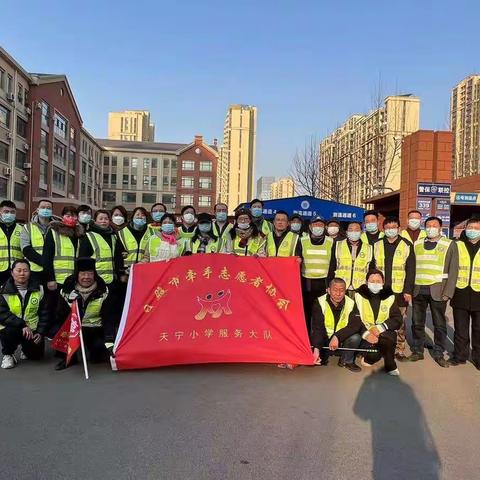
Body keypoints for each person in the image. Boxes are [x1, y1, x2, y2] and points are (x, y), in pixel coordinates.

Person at [409, 216, 458, 367]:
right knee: (417, 322)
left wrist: (448, 292)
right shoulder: (417, 244)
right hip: (419, 290)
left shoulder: (449, 244)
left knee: (439, 324)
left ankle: (438, 353)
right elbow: (411, 267)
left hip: (438, 290)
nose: (431, 228)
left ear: (440, 227)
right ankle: (417, 350)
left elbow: (454, 269)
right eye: (428, 225)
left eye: (434, 225)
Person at [54, 258, 112, 370]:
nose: (86, 277)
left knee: (98, 352)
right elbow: (59, 315)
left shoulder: (103, 290)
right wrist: (72, 302)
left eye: (90, 273)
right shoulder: (67, 289)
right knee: (62, 343)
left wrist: (109, 339)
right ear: (77, 274)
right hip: (73, 328)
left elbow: (108, 317)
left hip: (94, 327)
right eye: (83, 273)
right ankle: (71, 357)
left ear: (94, 274)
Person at [373, 217, 415, 361]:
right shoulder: (376, 245)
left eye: (394, 227)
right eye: (388, 227)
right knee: (380, 320)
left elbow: (411, 270)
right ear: (383, 229)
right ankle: (381, 348)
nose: (391, 229)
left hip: (399, 291)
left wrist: (408, 291)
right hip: (380, 291)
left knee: (399, 322)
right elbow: (372, 268)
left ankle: (399, 350)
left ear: (398, 228)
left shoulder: (406, 245)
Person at [0, 260, 48, 369]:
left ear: (30, 272)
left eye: (25, 270)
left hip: (32, 329)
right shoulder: (3, 291)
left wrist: (40, 332)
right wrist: (22, 325)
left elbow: (45, 313)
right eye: (19, 270)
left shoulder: (39, 289)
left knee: (37, 356)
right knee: (9, 331)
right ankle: (8, 354)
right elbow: (2, 314)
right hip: (11, 328)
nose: (22, 273)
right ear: (12, 273)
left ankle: (25, 348)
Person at [355, 269, 403, 376]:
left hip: (382, 331)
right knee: (373, 356)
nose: (375, 284)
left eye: (378, 281)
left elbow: (397, 319)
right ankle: (369, 356)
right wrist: (367, 334)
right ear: (367, 282)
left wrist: (381, 327)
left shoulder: (389, 296)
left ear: (383, 282)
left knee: (390, 337)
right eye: (372, 281)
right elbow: (355, 319)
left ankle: (390, 363)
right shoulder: (358, 296)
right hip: (365, 332)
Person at [311, 278, 362, 372]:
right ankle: (319, 353)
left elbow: (355, 326)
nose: (338, 294)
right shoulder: (319, 302)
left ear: (345, 291)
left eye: (341, 290)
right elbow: (317, 328)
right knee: (315, 350)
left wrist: (337, 336)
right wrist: (316, 348)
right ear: (328, 290)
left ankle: (346, 361)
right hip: (324, 338)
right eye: (335, 290)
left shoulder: (351, 303)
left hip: (341, 338)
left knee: (355, 337)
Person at [448, 217, 480, 369]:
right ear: (465, 229)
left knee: (478, 330)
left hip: (478, 294)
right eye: (470, 227)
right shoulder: (457, 245)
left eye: (476, 228)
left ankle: (477, 358)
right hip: (460, 293)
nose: (472, 230)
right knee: (460, 329)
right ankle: (460, 356)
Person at [295, 216, 334, 335]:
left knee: (322, 313)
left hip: (324, 283)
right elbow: (297, 260)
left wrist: (330, 284)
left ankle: (320, 340)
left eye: (321, 225)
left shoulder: (331, 241)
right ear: (310, 227)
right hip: (307, 284)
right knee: (306, 313)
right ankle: (306, 339)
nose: (318, 227)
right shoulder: (302, 240)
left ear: (325, 227)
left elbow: (333, 264)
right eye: (315, 225)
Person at [43, 206, 84, 309]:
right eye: (68, 215)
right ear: (62, 217)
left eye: (74, 216)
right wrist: (50, 279)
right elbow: (46, 258)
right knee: (55, 310)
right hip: (57, 281)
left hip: (74, 280)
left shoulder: (79, 234)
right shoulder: (53, 232)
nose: (71, 218)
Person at [78, 210, 125, 287]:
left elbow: (118, 258)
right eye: (101, 219)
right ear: (95, 221)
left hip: (113, 280)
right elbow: (83, 260)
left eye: (106, 219)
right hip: (96, 281)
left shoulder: (113, 236)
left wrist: (121, 274)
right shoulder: (89, 236)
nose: (104, 221)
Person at [330, 221, 373, 296]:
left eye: (357, 230)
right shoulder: (338, 245)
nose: (354, 232)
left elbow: (371, 269)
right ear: (346, 232)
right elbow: (332, 267)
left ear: (361, 232)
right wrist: (329, 285)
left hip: (361, 288)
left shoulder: (369, 248)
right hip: (341, 287)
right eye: (351, 230)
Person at [21, 199, 55, 284]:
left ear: (52, 211)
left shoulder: (57, 227)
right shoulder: (27, 227)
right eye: (43, 207)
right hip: (34, 270)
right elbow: (26, 248)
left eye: (48, 208)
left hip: (53, 270)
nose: (46, 210)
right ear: (37, 209)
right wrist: (43, 261)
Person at [118, 207, 150, 271]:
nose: (140, 217)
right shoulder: (122, 232)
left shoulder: (151, 232)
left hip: (144, 270)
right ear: (132, 218)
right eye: (137, 214)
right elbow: (118, 255)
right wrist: (121, 272)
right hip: (127, 272)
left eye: (143, 215)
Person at [0, 200, 24, 286]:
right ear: (0, 212)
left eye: (12, 212)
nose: (9, 214)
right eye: (6, 212)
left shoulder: (22, 229)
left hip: (17, 271)